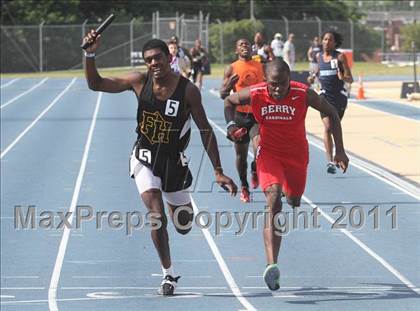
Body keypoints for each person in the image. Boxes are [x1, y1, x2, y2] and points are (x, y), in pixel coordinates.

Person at [82, 32, 237, 296]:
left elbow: (205, 129)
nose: (153, 63)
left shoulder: (188, 90)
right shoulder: (139, 82)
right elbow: (96, 84)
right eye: (149, 60)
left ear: (170, 58)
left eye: (158, 58)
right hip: (144, 156)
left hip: (174, 161)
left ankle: (172, 200)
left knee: (184, 225)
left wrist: (219, 171)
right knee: (156, 216)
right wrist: (90, 54)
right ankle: (169, 274)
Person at [224, 59, 349, 291]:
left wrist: (340, 149)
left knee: (293, 199)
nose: (278, 89)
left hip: (296, 156)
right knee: (273, 201)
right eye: (273, 84)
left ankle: (292, 197)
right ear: (265, 82)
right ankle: (272, 264)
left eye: (282, 84)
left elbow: (330, 110)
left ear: (290, 79)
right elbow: (229, 101)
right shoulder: (257, 92)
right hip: (268, 154)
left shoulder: (303, 94)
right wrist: (231, 126)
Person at [219, 38, 264, 203]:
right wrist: (229, 84)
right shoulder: (231, 68)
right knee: (241, 155)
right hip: (239, 116)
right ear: (236, 50)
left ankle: (255, 168)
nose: (244, 46)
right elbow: (222, 94)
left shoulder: (261, 66)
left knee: (260, 148)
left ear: (252, 48)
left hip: (257, 116)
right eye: (241, 45)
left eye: (247, 44)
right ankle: (244, 187)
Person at [308, 30, 353, 174]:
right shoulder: (318, 56)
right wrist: (312, 78)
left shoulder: (340, 57)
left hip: (339, 98)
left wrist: (342, 76)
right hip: (324, 97)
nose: (327, 42)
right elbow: (317, 72)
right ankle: (330, 162)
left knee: (334, 128)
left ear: (335, 43)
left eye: (330, 40)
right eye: (325, 39)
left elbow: (350, 78)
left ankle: (338, 154)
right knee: (327, 127)